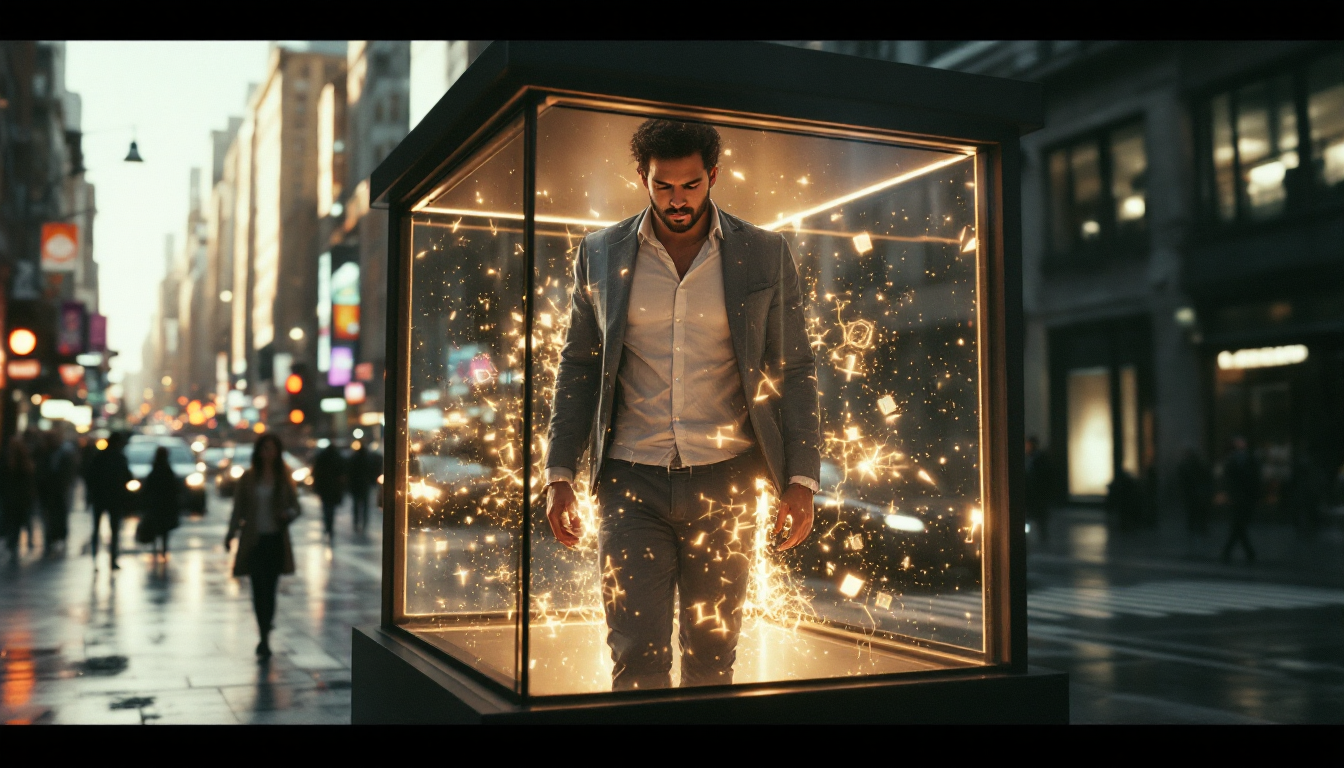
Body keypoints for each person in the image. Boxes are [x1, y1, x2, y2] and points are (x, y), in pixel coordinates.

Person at [544, 119, 821, 690]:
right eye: (663, 186)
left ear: (713, 175)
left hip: (729, 481)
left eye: (691, 185)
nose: (678, 200)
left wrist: (801, 480)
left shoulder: (765, 254)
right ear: (642, 178)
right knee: (636, 659)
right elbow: (578, 367)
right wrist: (559, 475)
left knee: (714, 659)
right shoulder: (599, 253)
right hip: (629, 483)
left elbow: (794, 370)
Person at [224, 433, 300, 658]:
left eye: (272, 448)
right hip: (254, 541)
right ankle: (263, 636)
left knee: (271, 589)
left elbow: (297, 506)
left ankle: (267, 627)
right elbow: (238, 509)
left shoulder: (283, 476)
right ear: (258, 451)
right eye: (264, 448)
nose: (268, 453)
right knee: (258, 589)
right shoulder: (248, 478)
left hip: (275, 540)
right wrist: (230, 534)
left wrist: (288, 513)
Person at [87, 432, 133, 570]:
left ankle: (95, 559)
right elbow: (127, 477)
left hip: (100, 497)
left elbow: (90, 476)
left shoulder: (100, 457)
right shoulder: (120, 458)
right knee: (114, 530)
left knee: (96, 529)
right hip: (114, 498)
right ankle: (112, 559)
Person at [38, 428, 78, 558]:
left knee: (58, 513)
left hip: (57, 490)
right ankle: (52, 537)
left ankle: (58, 536)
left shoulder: (63, 453)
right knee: (50, 514)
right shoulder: (46, 453)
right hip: (48, 490)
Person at [1220, 436, 1259, 564]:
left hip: (1242, 498)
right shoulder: (1235, 461)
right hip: (1240, 498)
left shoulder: (1241, 461)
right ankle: (1245, 552)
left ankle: (1231, 551)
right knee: (1239, 526)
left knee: (1238, 526)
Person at [141, 447, 184, 560]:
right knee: (164, 529)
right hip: (165, 504)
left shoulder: (155, 469)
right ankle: (164, 550)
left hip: (155, 503)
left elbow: (148, 487)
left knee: (156, 526)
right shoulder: (167, 469)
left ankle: (155, 549)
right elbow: (174, 488)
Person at [2, 437, 39, 559]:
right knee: (21, 520)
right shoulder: (24, 463)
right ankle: (22, 541)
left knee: (14, 522)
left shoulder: (9, 462)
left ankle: (13, 543)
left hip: (13, 498)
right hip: (20, 498)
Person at [311, 441, 348, 540]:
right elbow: (343, 473)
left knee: (326, 508)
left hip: (324, 487)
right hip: (334, 488)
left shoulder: (321, 457)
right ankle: (330, 527)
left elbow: (316, 472)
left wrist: (316, 486)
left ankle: (327, 526)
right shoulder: (338, 458)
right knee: (331, 509)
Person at [1177, 447, 1214, 538]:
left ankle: (1195, 526)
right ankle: (1199, 526)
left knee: (1194, 510)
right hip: (1197, 492)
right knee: (1197, 511)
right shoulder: (1196, 466)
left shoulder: (1188, 466)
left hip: (1195, 492)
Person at [1024, 436, 1054, 544]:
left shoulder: (1040, 459)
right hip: (1033, 494)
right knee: (1035, 517)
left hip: (1038, 494)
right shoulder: (1029, 459)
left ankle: (1042, 538)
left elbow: (1045, 477)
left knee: (1040, 518)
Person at [347, 441, 378, 534]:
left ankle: (356, 523)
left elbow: (350, 472)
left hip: (356, 485)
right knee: (365, 505)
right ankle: (364, 523)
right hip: (365, 485)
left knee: (356, 505)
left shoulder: (354, 458)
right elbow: (373, 471)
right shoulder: (369, 458)